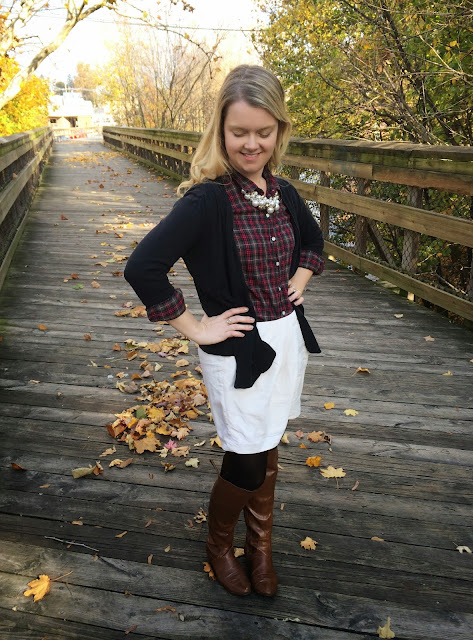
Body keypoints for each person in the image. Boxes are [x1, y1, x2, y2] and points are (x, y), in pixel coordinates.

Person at [124, 64, 324, 597]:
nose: (252, 144)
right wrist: (195, 327)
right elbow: (143, 267)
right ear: (220, 130)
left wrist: (300, 279)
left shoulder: (282, 192)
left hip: (285, 342)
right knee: (246, 458)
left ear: (280, 131)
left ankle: (260, 547)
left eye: (264, 132)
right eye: (240, 132)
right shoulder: (206, 201)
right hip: (239, 351)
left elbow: (313, 242)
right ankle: (218, 545)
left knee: (268, 441)